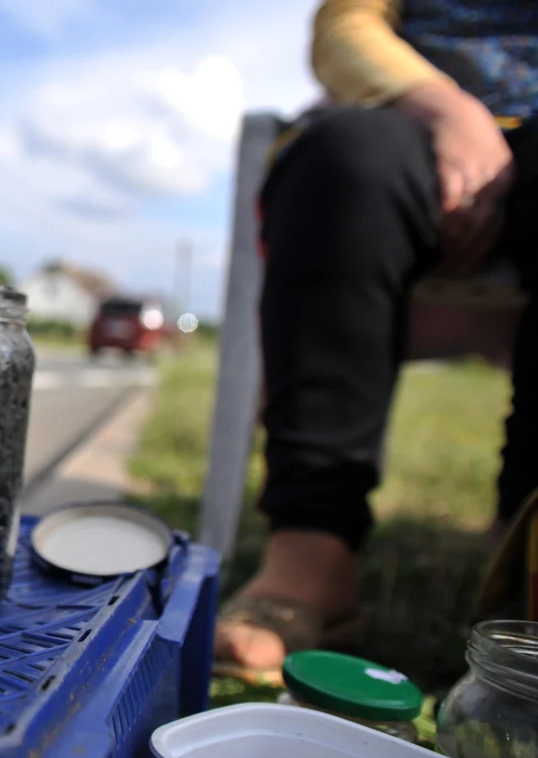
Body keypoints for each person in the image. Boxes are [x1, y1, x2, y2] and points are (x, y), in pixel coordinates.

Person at [213, 0, 538, 682]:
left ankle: (524, 555)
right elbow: (345, 22)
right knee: (343, 160)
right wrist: (441, 106)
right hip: (410, 122)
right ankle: (313, 555)